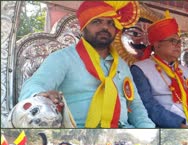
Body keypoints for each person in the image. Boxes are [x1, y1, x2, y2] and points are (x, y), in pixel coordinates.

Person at [18, 1, 155, 129]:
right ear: (83, 27)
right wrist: (41, 96)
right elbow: (33, 84)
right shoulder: (63, 58)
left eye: (110, 23)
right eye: (97, 22)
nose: (105, 27)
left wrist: (148, 129)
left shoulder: (122, 65)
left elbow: (135, 105)